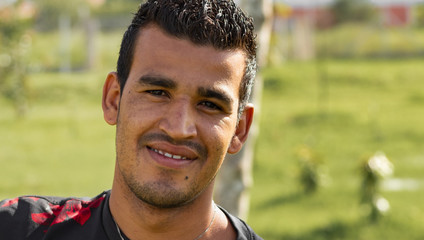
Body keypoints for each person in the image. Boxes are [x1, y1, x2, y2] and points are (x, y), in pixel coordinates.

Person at [0, 0, 262, 239]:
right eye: (157, 93)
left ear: (240, 128)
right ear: (114, 99)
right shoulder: (18, 229)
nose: (178, 128)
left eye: (209, 105)